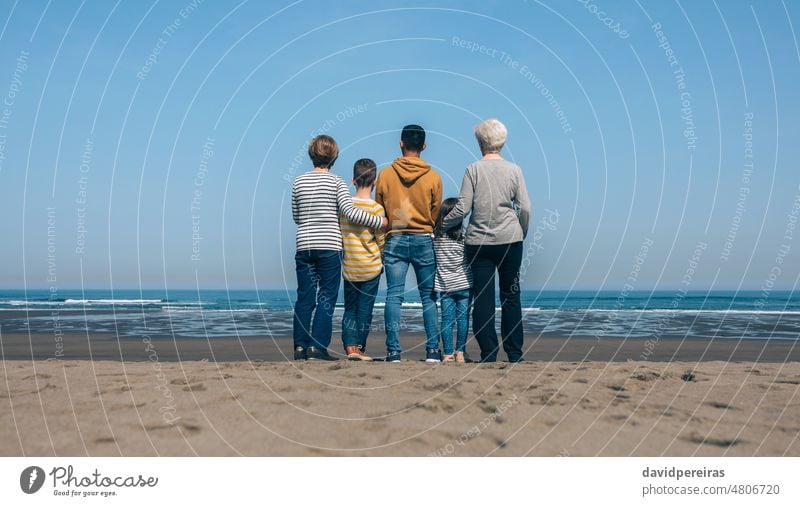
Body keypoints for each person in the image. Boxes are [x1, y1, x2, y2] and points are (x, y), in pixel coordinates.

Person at [442, 118, 531, 362]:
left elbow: (462, 209)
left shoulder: (473, 169)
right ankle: (514, 353)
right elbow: (524, 207)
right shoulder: (514, 170)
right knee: (511, 296)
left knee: (483, 297)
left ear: (481, 142)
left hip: (479, 242)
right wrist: (520, 231)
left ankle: (489, 352)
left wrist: (441, 225)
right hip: (510, 241)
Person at [291, 135, 387, 361]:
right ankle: (317, 347)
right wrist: (378, 222)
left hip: (304, 244)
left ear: (311, 154)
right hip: (329, 247)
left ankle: (299, 347)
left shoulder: (298, 182)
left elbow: (296, 216)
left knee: (305, 297)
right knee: (327, 296)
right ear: (334, 156)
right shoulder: (336, 182)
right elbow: (350, 212)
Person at [375, 125, 443, 363]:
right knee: (428, 296)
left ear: (401, 143)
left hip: (395, 237)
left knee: (394, 296)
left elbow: (380, 210)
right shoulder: (433, 176)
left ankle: (393, 351)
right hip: (424, 238)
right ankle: (433, 350)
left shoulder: (385, 175)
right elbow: (436, 212)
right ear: (424, 146)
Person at [339, 159, 385, 361]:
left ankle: (350, 348)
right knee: (365, 309)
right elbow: (381, 240)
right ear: (374, 182)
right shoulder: (376, 209)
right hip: (371, 267)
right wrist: (383, 258)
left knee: (350, 308)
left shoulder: (345, 208)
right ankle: (360, 347)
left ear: (353, 180)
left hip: (350, 266)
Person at [433, 198, 472, 363]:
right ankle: (460, 352)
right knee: (463, 319)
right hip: (464, 284)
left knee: (447, 319)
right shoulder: (464, 238)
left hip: (445, 285)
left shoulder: (436, 239)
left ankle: (448, 353)